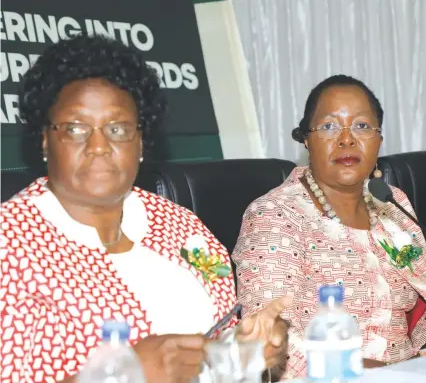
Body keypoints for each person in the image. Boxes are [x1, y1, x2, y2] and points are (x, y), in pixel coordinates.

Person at [0, 34, 290, 383]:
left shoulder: (184, 228)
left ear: (140, 142)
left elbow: (221, 340)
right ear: (45, 139)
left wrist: (249, 350)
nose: (98, 146)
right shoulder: (10, 243)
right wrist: (122, 375)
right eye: (76, 128)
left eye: (118, 129)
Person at [233, 75, 426, 380]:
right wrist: (374, 371)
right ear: (307, 139)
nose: (347, 139)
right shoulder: (276, 214)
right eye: (329, 126)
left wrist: (416, 360)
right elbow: (269, 335)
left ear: (379, 140)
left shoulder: (392, 203)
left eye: (362, 126)